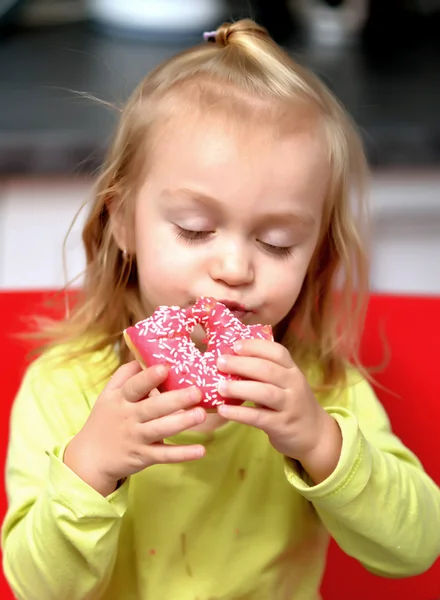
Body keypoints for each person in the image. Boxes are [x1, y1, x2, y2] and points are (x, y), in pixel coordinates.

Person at [2, 18, 439, 600]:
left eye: (278, 242)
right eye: (195, 229)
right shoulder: (63, 389)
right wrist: (90, 469)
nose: (234, 269)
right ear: (122, 221)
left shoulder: (324, 390)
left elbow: (415, 550)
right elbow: (35, 588)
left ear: (317, 256)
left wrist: (318, 441)